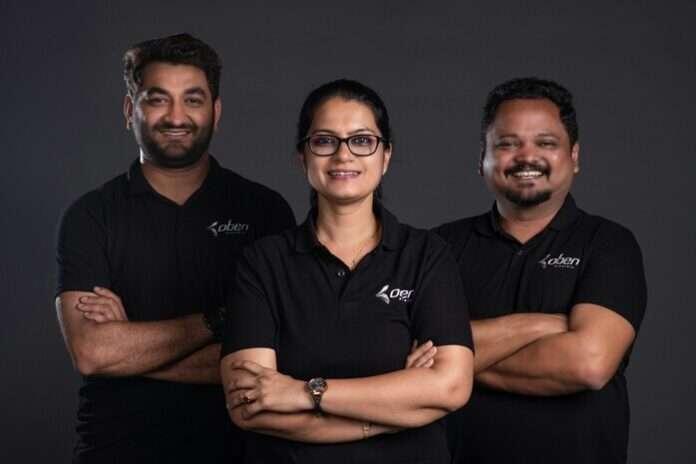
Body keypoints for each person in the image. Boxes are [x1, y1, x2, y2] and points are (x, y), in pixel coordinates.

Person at [54, 33, 295, 463]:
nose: (176, 116)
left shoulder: (264, 210)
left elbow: (275, 360)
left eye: (193, 100)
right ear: (130, 110)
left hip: (239, 453)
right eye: (158, 99)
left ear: (216, 112)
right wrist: (220, 321)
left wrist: (130, 351)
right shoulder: (91, 215)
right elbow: (92, 353)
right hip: (115, 451)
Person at [220, 79, 474, 463]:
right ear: (302, 156)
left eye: (362, 140)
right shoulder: (263, 262)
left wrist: (305, 392)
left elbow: (451, 388)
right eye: (325, 141)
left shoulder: (427, 255)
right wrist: (398, 412)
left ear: (385, 156)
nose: (343, 155)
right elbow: (249, 407)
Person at [435, 77, 647, 464]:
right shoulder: (438, 248)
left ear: (574, 157)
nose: (526, 157)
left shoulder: (609, 244)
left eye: (546, 143)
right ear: (482, 158)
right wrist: (542, 325)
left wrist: (451, 364)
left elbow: (588, 363)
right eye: (507, 144)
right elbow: (404, 353)